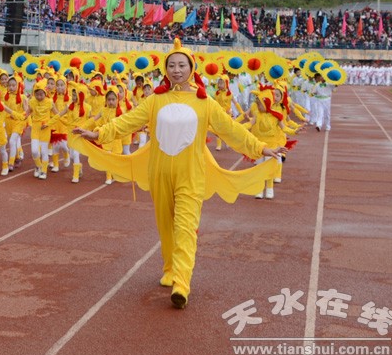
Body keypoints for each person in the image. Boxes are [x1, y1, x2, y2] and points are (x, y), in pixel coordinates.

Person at [71, 39, 283, 309]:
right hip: (159, 173)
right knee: (166, 225)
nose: (177, 70)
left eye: (182, 65)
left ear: (192, 68)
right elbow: (128, 121)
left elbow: (231, 130)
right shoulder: (155, 100)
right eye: (172, 65)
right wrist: (99, 133)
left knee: (185, 228)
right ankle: (170, 268)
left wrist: (260, 148)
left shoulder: (204, 103)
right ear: (165, 69)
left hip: (191, 175)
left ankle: (182, 283)